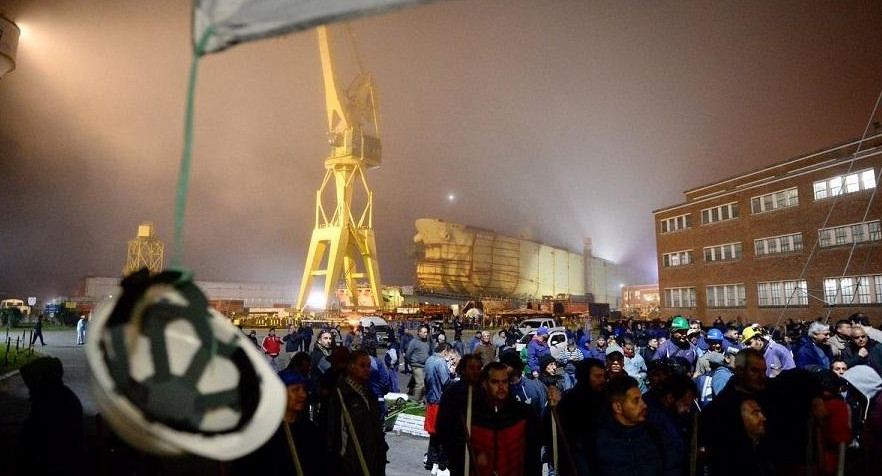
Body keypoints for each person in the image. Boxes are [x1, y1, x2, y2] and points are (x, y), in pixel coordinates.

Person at [443, 362, 542, 476]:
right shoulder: (471, 414)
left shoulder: (523, 414)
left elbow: (533, 452)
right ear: (485, 384)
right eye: (495, 382)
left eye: (504, 382)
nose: (501, 386)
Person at [232, 369, 329, 476]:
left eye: (304, 389)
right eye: (296, 390)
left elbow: (321, 465)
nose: (303, 395)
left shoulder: (309, 430)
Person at [594, 376, 680, 476]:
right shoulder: (595, 443)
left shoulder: (656, 435)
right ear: (618, 407)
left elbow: (673, 467)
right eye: (636, 400)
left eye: (642, 399)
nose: (644, 405)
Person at [15, 357, 83, 476]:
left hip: (53, 465)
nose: (30, 389)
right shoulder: (61, 396)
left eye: (31, 383)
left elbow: (34, 440)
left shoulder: (51, 402)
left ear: (42, 380)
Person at [326, 350, 387, 476]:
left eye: (369, 366)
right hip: (352, 463)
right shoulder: (340, 395)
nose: (367, 369)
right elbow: (333, 434)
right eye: (362, 365)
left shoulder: (370, 394)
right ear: (351, 366)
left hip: (373, 460)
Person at [424, 342, 453, 475]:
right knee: (443, 435)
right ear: (445, 351)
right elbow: (446, 382)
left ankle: (432, 462)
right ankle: (441, 465)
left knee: (433, 435)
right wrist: (456, 380)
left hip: (430, 401)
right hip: (440, 402)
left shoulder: (429, 360)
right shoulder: (441, 362)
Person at [406, 325, 431, 402]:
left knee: (424, 384)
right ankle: (416, 401)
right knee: (420, 384)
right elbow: (408, 354)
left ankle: (420, 399)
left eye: (426, 332)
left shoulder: (427, 342)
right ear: (419, 333)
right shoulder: (414, 342)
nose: (425, 334)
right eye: (424, 332)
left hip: (425, 366)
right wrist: (411, 363)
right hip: (416, 366)